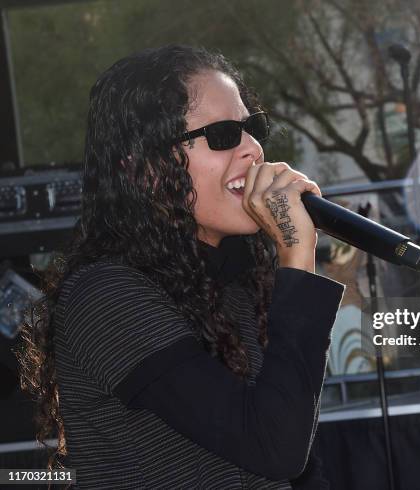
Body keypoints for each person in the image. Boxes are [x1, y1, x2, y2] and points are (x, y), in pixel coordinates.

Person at [17, 44, 345, 489]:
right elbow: (273, 446)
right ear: (145, 169)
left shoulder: (238, 278)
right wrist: (296, 255)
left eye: (253, 128)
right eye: (224, 134)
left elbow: (301, 463)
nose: (253, 149)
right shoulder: (105, 297)